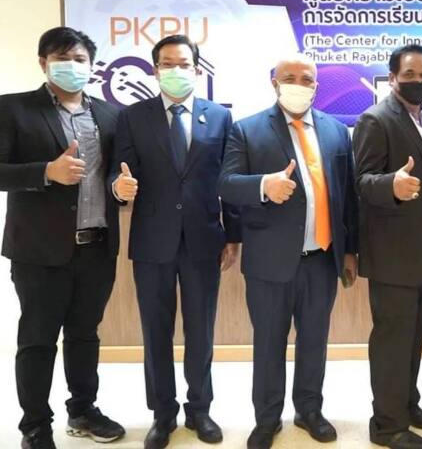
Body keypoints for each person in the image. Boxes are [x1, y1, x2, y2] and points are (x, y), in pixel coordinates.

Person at [218, 53, 358, 449]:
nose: (299, 84)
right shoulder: (246, 130)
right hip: (269, 261)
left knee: (314, 341)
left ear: (316, 86)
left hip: (322, 259)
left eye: (306, 79)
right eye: (290, 77)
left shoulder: (336, 130)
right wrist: (264, 185)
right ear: (274, 82)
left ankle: (309, 410)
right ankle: (267, 419)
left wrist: (350, 251)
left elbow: (347, 196)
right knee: (269, 343)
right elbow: (226, 183)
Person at [110, 34, 241, 449]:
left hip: (204, 238)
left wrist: (233, 234)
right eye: (167, 64)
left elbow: (229, 179)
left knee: (201, 331)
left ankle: (200, 409)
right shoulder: (133, 117)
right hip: (152, 240)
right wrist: (119, 188)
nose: (176, 70)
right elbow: (118, 172)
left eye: (184, 64)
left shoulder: (219, 117)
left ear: (197, 70)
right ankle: (162, 413)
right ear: (155, 70)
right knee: (156, 331)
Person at [0, 27, 125, 449]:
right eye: (61, 57)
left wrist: (120, 188)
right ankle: (35, 426)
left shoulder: (110, 115)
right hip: (39, 251)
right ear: (43, 63)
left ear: (92, 65)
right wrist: (44, 172)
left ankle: (83, 410)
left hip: (98, 246)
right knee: (37, 340)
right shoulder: (12, 109)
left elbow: (114, 173)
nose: (71, 65)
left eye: (79, 59)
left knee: (85, 335)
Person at [353, 44, 422, 449]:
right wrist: (391, 186)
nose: (418, 81)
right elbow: (361, 181)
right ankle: (387, 426)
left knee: (413, 338)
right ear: (393, 77)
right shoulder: (375, 119)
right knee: (392, 342)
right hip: (392, 254)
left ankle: (406, 405)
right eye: (410, 74)